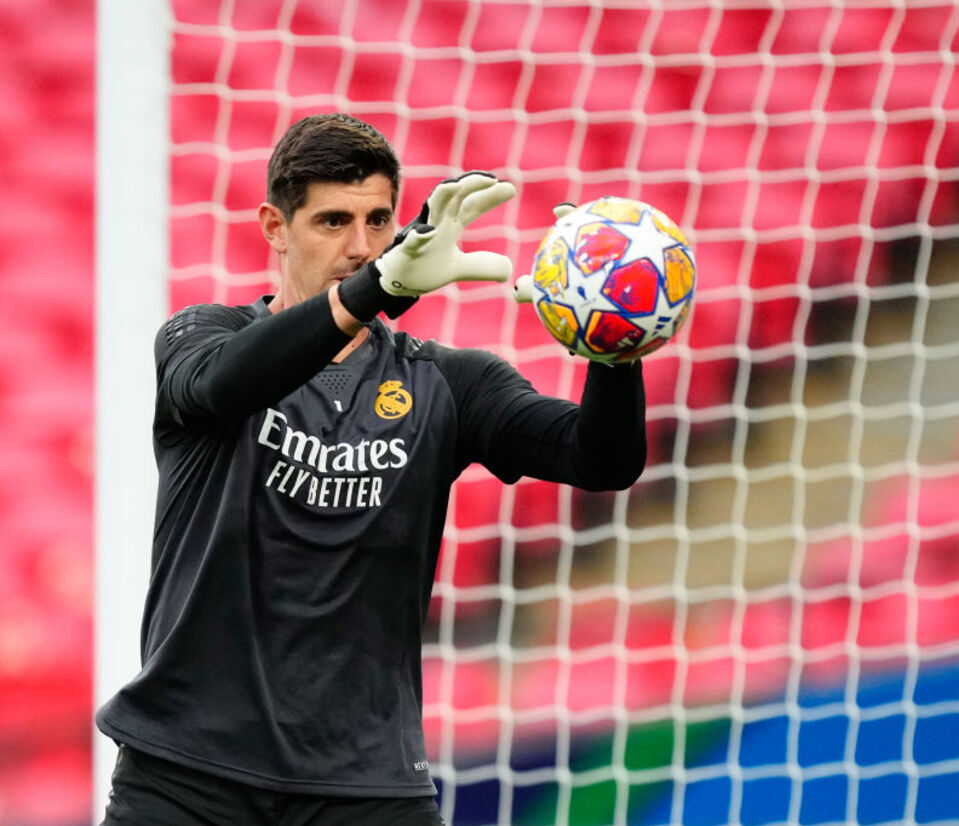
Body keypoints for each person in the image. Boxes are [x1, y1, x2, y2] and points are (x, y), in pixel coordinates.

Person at [96, 113, 647, 825]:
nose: (360, 247)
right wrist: (376, 289)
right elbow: (228, 383)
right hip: (187, 776)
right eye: (333, 221)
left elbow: (602, 461)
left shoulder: (447, 382)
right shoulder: (201, 338)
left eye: (378, 221)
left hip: (365, 785)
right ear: (274, 227)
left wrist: (613, 342)